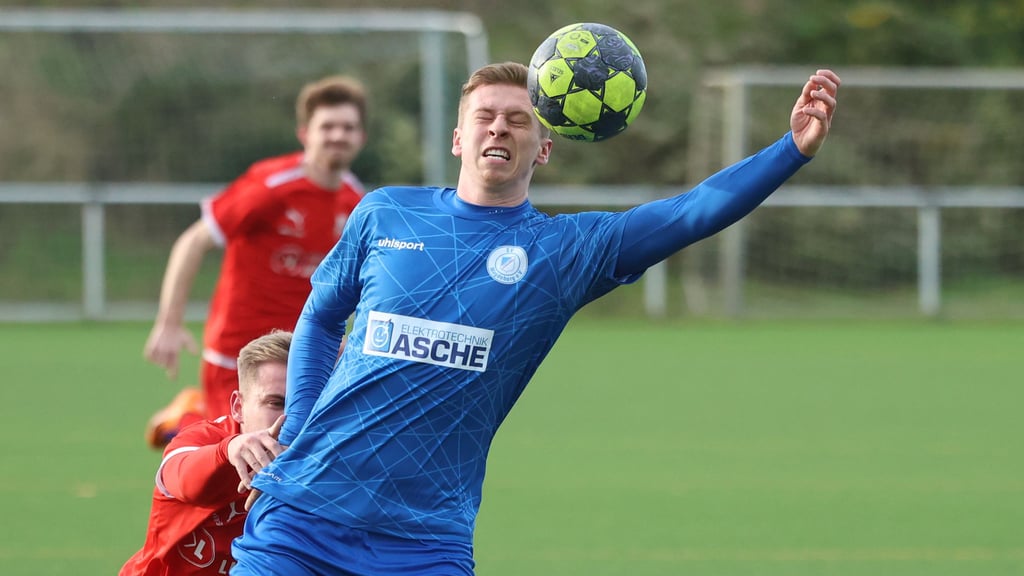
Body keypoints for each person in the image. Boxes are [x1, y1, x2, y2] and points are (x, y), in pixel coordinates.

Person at [231, 62, 841, 575]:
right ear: (458, 138)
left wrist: (790, 151)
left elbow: (690, 213)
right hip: (301, 518)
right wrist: (295, 435)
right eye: (485, 116)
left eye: (519, 119)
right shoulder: (386, 212)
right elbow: (318, 320)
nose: (500, 126)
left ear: (544, 146)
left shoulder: (567, 251)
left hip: (424, 541)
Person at [142, 75, 369, 448]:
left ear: (361, 137)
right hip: (237, 350)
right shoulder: (270, 186)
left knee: (296, 452)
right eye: (327, 126)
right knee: (238, 453)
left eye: (348, 127)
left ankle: (192, 417)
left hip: (304, 350)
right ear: (304, 133)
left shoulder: (354, 200)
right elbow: (193, 241)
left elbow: (354, 283)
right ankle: (188, 418)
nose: (338, 136)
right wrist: (169, 323)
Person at [121, 330, 291, 576]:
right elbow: (182, 477)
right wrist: (227, 451)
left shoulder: (320, 450)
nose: (292, 417)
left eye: (302, 402)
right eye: (276, 403)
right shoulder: (203, 441)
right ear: (238, 407)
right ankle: (186, 414)